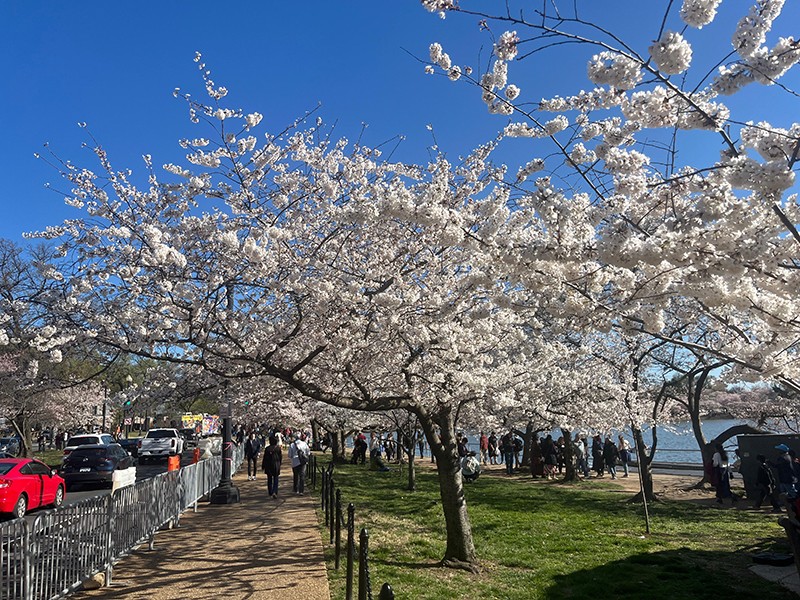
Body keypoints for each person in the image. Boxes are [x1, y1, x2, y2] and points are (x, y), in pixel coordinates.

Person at [262, 434, 282, 499]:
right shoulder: (278, 448)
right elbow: (280, 457)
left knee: (269, 479)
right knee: (276, 479)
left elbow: (265, 458)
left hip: (269, 465)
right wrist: (280, 464)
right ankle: (275, 491)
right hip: (276, 465)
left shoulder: (267, 449)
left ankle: (270, 491)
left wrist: (263, 466)